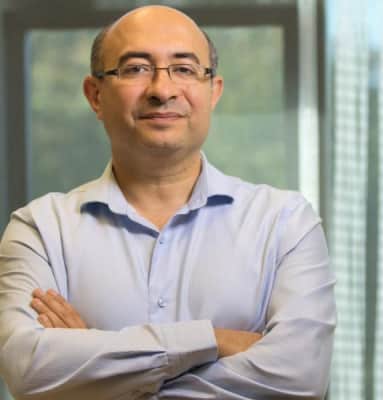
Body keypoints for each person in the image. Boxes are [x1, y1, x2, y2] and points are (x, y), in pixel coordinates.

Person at [0, 5, 336, 400]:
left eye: (184, 69)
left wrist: (97, 367)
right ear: (95, 95)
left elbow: (302, 376)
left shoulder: (285, 223)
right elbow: (28, 370)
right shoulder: (40, 229)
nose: (162, 90)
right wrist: (213, 340)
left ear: (213, 91)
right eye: (136, 68)